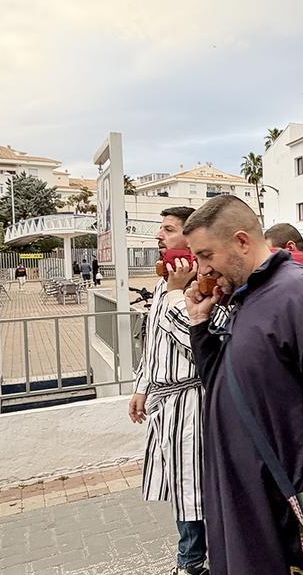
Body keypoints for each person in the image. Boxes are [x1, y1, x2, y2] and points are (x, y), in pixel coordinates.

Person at [184, 195, 303, 574]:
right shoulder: (248, 297)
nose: (201, 269)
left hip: (290, 511)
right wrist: (199, 327)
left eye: (206, 254)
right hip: (247, 503)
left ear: (242, 241)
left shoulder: (300, 295)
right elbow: (225, 387)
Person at [129, 207, 208, 575]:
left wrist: (179, 293)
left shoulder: (201, 285)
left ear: (190, 237)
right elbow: (154, 342)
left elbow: (198, 343)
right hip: (165, 399)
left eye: (168, 229)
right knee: (179, 486)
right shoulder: (164, 284)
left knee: (190, 488)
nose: (159, 236)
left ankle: (191, 563)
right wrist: (141, 387)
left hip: (191, 401)